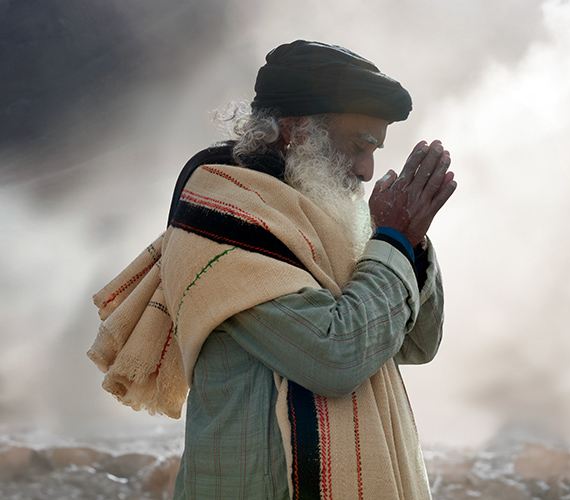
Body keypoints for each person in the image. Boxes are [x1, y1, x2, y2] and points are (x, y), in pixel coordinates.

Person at [87, 40, 456, 499]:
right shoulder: (222, 217)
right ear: (297, 130)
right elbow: (334, 356)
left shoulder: (317, 214)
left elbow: (415, 344)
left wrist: (410, 242)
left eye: (376, 149)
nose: (367, 170)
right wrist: (393, 240)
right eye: (360, 144)